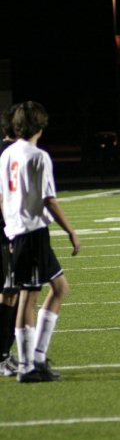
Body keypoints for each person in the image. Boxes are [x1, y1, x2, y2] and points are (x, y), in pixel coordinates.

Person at [0, 101, 80, 383]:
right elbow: (49, 199)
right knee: (30, 296)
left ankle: (34, 359)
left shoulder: (7, 154)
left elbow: (3, 198)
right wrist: (71, 230)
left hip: (19, 232)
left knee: (58, 288)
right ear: (40, 125)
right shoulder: (38, 156)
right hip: (32, 233)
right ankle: (29, 365)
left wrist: (9, 229)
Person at [0, 106, 21, 377]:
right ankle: (3, 356)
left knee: (10, 293)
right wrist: (12, 229)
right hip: (5, 232)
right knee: (9, 293)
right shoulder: (8, 154)